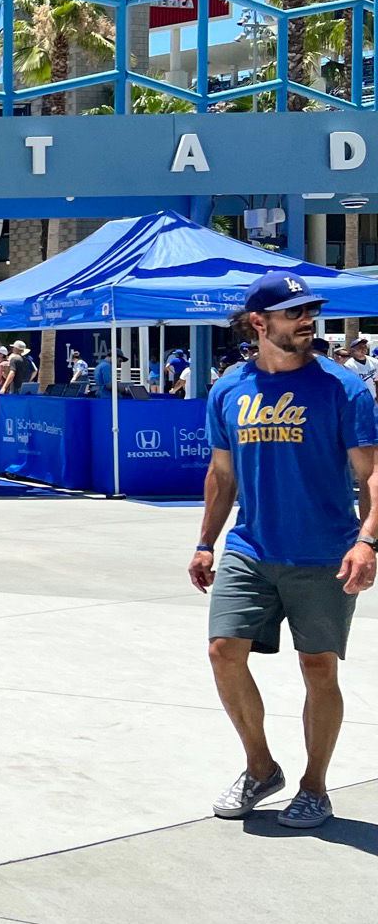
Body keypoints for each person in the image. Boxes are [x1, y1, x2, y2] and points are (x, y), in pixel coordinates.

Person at [192, 271, 377, 831]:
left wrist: (368, 539)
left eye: (309, 311)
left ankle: (314, 786)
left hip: (325, 551)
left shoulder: (344, 388)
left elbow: (371, 473)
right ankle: (260, 767)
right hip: (251, 546)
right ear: (259, 322)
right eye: (294, 312)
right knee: (224, 650)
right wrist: (205, 541)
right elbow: (222, 474)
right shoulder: (228, 389)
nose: (306, 320)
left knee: (317, 666)